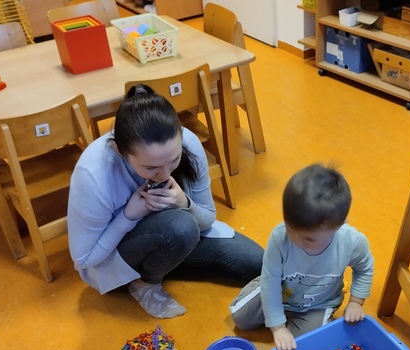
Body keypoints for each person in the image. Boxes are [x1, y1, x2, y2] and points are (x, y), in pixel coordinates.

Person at [67, 84, 264, 318]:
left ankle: (165, 260)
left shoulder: (188, 143)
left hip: (177, 237)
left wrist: (185, 203)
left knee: (257, 263)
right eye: (150, 167)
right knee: (181, 227)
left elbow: (208, 218)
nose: (164, 174)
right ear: (119, 150)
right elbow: (84, 260)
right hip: (120, 253)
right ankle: (145, 283)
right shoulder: (94, 173)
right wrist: (128, 216)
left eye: (174, 160)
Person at [229, 164, 374, 350]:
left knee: (306, 347)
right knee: (240, 318)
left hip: (318, 305)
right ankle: (273, 304)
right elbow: (271, 283)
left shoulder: (352, 241)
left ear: (339, 225)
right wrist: (278, 327)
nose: (296, 241)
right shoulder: (279, 237)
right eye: (290, 229)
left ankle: (296, 320)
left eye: (308, 239)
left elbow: (364, 268)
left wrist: (356, 302)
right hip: (279, 291)